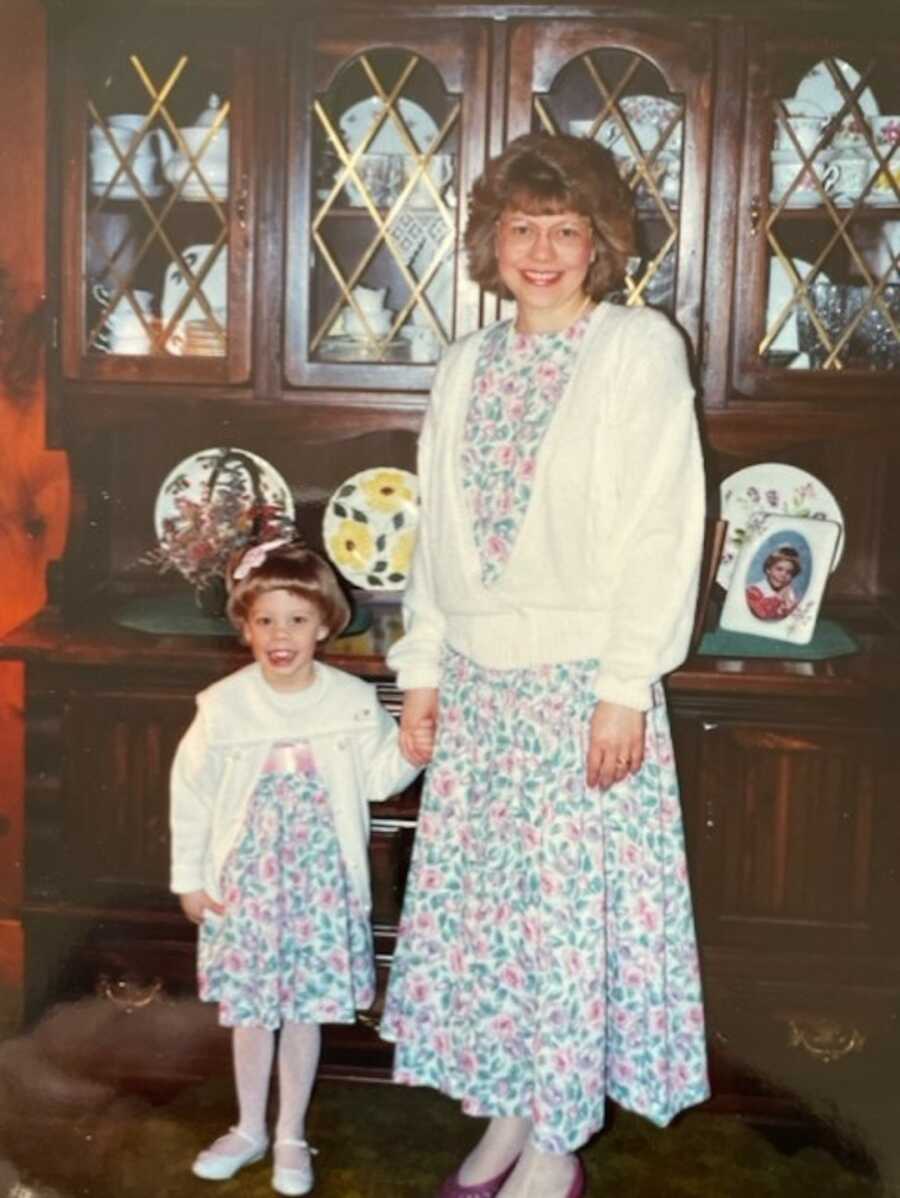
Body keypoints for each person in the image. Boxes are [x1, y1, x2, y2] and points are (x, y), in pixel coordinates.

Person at [380, 133, 710, 1198]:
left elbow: (666, 524)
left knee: (565, 931)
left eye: (567, 228)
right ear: (491, 239)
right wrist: (421, 666)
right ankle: (509, 1113)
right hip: (479, 689)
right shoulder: (464, 363)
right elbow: (439, 531)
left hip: (581, 688)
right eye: (522, 225)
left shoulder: (635, 346)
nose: (543, 248)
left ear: (600, 242)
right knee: (492, 928)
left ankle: (558, 1141)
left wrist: (626, 684)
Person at [170, 541, 423, 1196]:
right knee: (252, 1011)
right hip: (246, 891)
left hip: (319, 890)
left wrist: (415, 747)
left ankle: (290, 1134)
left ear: (324, 625)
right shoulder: (223, 706)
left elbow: (376, 777)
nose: (280, 636)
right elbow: (190, 795)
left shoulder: (349, 700)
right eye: (266, 621)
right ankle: (250, 1125)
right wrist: (190, 879)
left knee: (304, 1011)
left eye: (296, 620)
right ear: (246, 626)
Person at [746, 545, 802, 621]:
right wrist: (779, 597)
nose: (783, 575)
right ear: (768, 569)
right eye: (779, 569)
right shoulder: (754, 591)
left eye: (789, 572)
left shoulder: (789, 593)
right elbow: (762, 613)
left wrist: (790, 607)